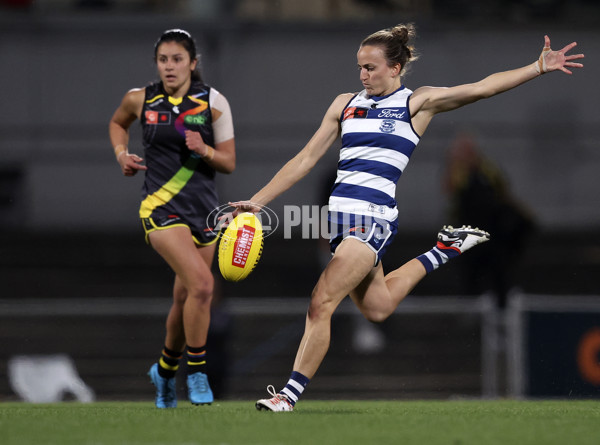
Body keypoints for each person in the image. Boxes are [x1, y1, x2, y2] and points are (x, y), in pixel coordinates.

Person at [230, 24, 584, 412]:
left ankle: (288, 396)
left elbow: (483, 87)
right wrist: (258, 201)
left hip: (372, 222)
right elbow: (305, 160)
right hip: (338, 225)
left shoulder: (417, 103)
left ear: (395, 68)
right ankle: (443, 250)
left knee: (321, 301)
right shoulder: (344, 103)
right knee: (377, 307)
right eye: (360, 67)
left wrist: (537, 66)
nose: (363, 75)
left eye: (371, 67)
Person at [108, 29, 236, 408]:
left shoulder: (213, 103)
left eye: (177, 59)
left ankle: (163, 372)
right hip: (160, 208)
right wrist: (121, 154)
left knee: (185, 298)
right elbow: (118, 124)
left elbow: (228, 162)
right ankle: (196, 373)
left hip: (205, 210)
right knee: (201, 285)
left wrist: (205, 150)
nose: (169, 66)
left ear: (193, 63)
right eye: (163, 59)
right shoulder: (140, 98)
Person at [443, 131, 537, 308]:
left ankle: (503, 305)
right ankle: (473, 313)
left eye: (469, 149)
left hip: (492, 231)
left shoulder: (488, 169)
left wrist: (523, 212)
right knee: (471, 276)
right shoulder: (458, 172)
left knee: (499, 271)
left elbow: (504, 192)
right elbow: (450, 190)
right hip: (469, 233)